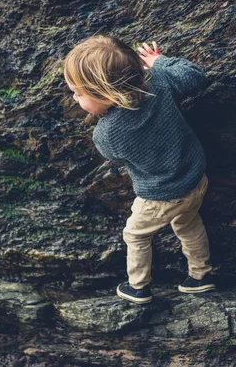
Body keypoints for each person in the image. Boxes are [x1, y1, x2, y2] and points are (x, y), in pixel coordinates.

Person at [62, 35, 214, 304]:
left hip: (160, 195)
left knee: (135, 234)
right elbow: (194, 76)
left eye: (79, 93)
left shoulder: (106, 134)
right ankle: (201, 275)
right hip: (195, 177)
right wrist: (158, 63)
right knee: (189, 225)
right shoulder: (159, 82)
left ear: (106, 92)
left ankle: (138, 286)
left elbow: (113, 155)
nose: (74, 99)